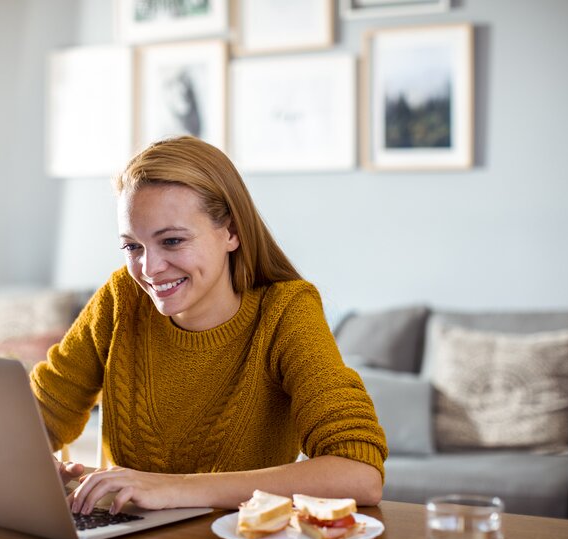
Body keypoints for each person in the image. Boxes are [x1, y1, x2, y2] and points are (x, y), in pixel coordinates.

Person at [29, 136, 387, 516]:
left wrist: (176, 489)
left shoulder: (286, 312)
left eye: (172, 241)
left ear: (231, 232)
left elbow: (360, 474)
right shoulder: (121, 299)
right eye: (133, 247)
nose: (149, 269)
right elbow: (37, 416)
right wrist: (28, 459)